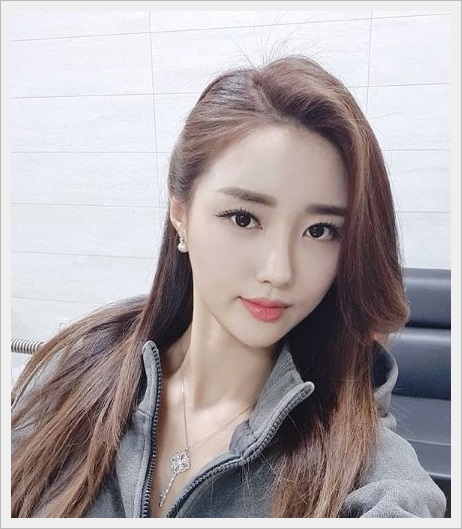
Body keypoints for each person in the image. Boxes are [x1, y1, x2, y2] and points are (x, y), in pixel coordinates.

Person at [11, 55, 446, 518]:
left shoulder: (366, 466)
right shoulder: (69, 374)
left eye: (319, 231)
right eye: (244, 218)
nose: (279, 271)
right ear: (180, 212)